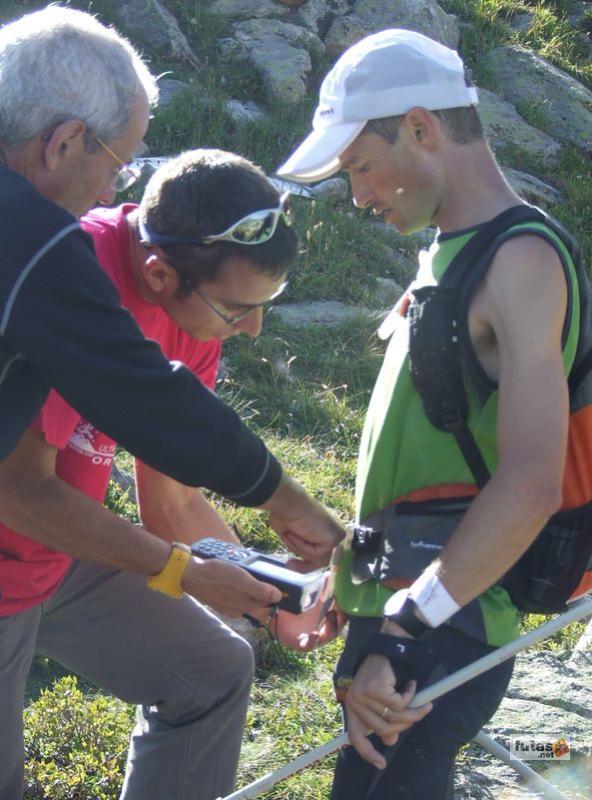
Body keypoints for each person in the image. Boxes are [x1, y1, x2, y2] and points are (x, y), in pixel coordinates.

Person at [0, 7, 344, 799]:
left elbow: (174, 493)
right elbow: (20, 491)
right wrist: (186, 573)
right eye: (116, 163)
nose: (252, 331)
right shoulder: (54, 257)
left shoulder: (190, 314)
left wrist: (264, 589)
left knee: (213, 670)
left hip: (59, 555)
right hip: (13, 552)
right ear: (62, 143)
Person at [278, 28, 581, 798]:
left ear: (422, 128)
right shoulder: (451, 251)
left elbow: (530, 483)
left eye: (361, 167)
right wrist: (359, 577)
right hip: (408, 607)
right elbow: (424, 456)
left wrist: (409, 627)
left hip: (446, 625)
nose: (359, 196)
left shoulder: (521, 260)